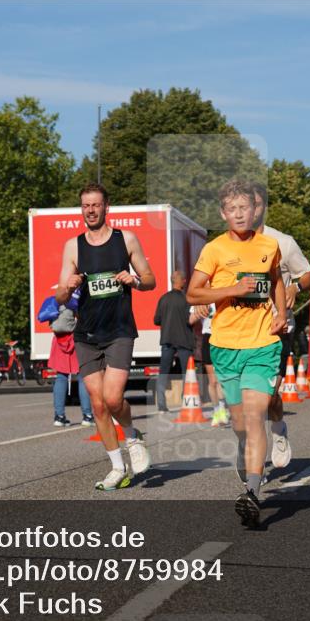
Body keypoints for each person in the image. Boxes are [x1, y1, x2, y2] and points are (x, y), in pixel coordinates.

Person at [187, 179, 286, 528]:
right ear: (223, 213)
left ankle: (254, 492)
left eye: (245, 208)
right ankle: (250, 467)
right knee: (241, 424)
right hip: (226, 347)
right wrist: (231, 288)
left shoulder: (269, 245)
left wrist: (282, 312)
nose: (240, 214)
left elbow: (276, 280)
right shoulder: (214, 250)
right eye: (233, 209)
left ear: (255, 210)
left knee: (256, 415)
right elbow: (192, 294)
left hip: (261, 344)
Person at [56, 183, 156, 490]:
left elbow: (150, 280)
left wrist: (134, 280)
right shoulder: (73, 246)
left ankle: (132, 434)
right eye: (85, 205)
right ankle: (116, 466)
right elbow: (59, 296)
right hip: (86, 333)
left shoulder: (125, 239)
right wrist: (69, 286)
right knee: (98, 405)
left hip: (119, 330)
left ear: (106, 207)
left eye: (95, 205)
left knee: (113, 398)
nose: (90, 210)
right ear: (81, 209)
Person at [252, 183, 310, 469]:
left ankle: (278, 431)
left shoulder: (282, 242)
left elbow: (308, 275)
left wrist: (295, 289)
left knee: (268, 397)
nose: (247, 212)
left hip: (277, 330)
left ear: (262, 207)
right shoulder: (229, 245)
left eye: (254, 205)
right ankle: (254, 468)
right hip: (242, 332)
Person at [153, 271, 201, 412]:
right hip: (184, 341)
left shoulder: (163, 299)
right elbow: (190, 320)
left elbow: (156, 320)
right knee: (187, 373)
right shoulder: (187, 299)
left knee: (163, 373)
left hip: (167, 340)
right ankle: (187, 402)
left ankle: (162, 406)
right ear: (182, 282)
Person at [47, 301, 94, 427]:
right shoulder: (76, 299)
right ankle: (87, 416)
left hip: (58, 341)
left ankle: (59, 416)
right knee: (82, 377)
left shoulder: (56, 300)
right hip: (76, 341)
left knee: (61, 377)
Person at [194, 303, 230, 427]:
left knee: (220, 378)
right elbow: (190, 319)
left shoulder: (222, 296)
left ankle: (222, 408)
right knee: (212, 380)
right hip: (207, 336)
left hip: (222, 336)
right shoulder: (202, 298)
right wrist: (199, 311)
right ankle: (216, 411)